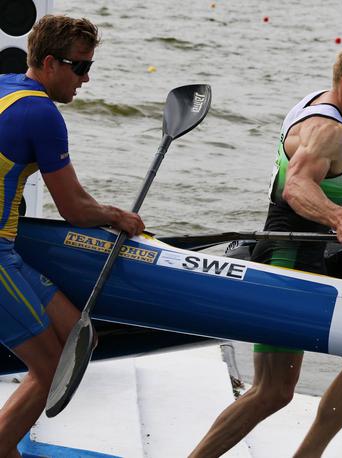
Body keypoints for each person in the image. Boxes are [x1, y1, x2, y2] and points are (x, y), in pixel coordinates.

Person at [191, 42, 342, 457]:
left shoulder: (317, 105)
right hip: (286, 263)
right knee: (272, 391)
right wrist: (340, 218)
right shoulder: (329, 129)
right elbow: (296, 186)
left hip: (301, 260)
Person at [0, 15, 144, 456]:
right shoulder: (42, 114)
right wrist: (119, 216)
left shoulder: (6, 84)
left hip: (7, 248)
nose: (86, 78)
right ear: (48, 63)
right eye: (79, 67)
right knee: (50, 368)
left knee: (81, 340)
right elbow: (75, 209)